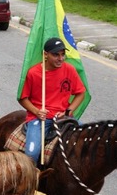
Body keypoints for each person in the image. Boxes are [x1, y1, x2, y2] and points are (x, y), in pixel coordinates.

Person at [19, 37, 86, 165]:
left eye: (62, 54)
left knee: (88, 143)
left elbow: (80, 94)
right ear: (45, 54)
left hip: (63, 117)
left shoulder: (69, 70)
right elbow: (23, 99)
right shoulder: (34, 73)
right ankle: (32, 181)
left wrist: (68, 112)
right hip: (39, 119)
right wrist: (37, 111)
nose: (60, 59)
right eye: (56, 55)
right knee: (32, 154)